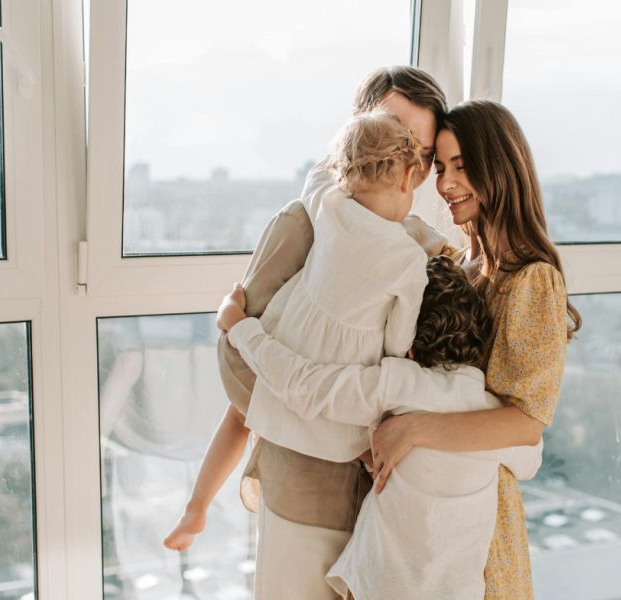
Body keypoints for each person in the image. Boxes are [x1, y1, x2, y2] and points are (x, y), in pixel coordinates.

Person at [166, 67, 453, 599]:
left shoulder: (411, 246)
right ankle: (195, 508)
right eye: (393, 131)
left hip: (380, 491)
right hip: (305, 484)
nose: (404, 157)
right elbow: (237, 356)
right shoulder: (306, 223)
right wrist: (326, 403)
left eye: (420, 149)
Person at [220, 255, 543, 600]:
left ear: (409, 341)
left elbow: (304, 385)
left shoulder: (398, 385)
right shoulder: (492, 419)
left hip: (381, 588)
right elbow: (531, 461)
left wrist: (239, 327)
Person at [370, 99, 582, 600]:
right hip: (428, 507)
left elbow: (526, 422)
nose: (444, 184)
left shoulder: (532, 280)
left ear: (501, 167)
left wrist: (413, 429)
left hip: (481, 520)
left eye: (462, 167)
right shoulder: (462, 266)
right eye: (440, 167)